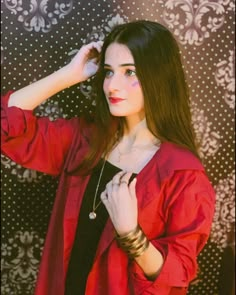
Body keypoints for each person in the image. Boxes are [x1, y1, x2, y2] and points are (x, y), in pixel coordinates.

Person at [1, 20, 215, 295]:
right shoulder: (85, 138)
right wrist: (68, 75)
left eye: (129, 72)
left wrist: (130, 233)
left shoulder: (182, 174)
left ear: (158, 76)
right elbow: (7, 128)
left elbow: (177, 273)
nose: (112, 85)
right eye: (108, 72)